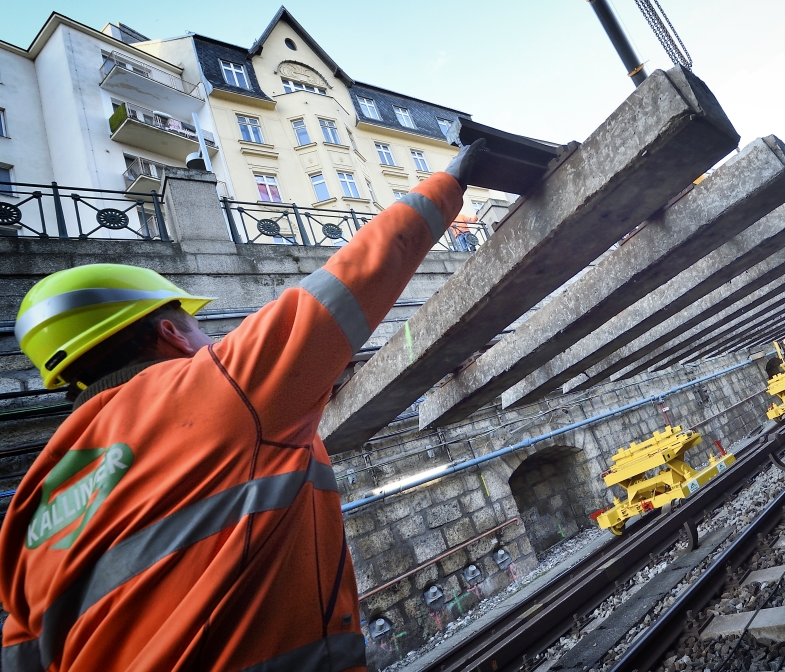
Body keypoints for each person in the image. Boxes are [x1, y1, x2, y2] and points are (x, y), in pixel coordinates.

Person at [0, 142, 486, 671]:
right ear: (171, 333)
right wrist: (451, 181)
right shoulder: (217, 390)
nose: (211, 339)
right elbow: (353, 278)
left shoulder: (35, 502)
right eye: (197, 325)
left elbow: (21, 654)